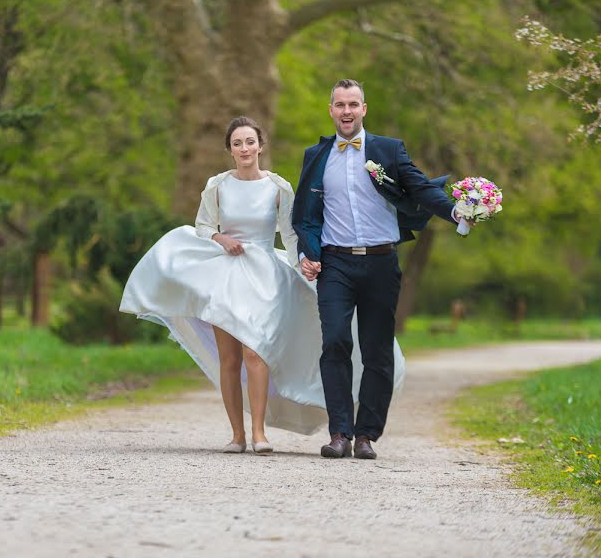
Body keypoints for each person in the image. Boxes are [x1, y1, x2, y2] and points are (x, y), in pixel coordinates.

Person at [120, 116, 405, 454]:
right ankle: (237, 435)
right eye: (237, 143)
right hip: (224, 274)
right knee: (229, 358)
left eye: (250, 142)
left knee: (256, 351)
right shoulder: (217, 185)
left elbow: (289, 232)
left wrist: (305, 261)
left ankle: (259, 433)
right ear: (229, 149)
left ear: (260, 146)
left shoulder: (277, 187)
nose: (244, 148)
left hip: (264, 275)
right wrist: (221, 238)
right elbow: (202, 226)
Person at [292, 79, 462, 460]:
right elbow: (305, 215)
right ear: (331, 110)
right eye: (340, 105)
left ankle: (366, 434)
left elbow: (419, 189)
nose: (347, 111)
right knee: (335, 341)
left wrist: (455, 211)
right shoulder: (315, 156)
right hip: (335, 262)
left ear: (364, 109)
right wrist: (308, 250)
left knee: (377, 350)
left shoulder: (388, 149)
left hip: (381, 262)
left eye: (353, 104)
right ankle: (340, 433)